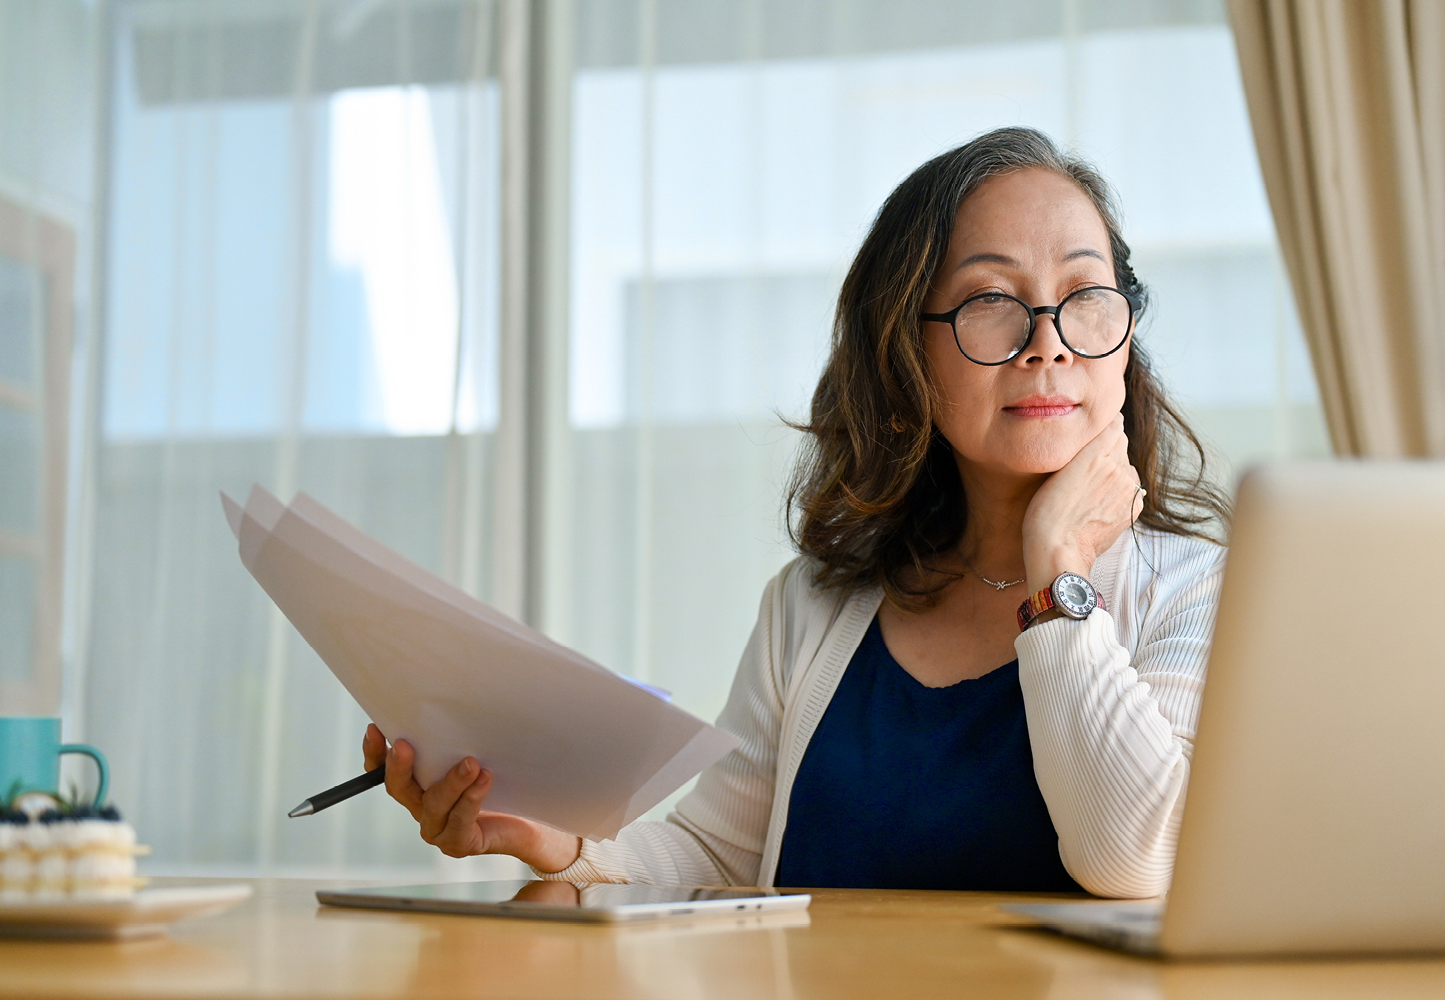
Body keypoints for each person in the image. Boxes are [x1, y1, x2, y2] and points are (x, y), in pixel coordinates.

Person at [361, 127, 1229, 898]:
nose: (1048, 339)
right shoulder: (810, 607)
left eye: (1084, 295)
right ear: (907, 354)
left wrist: (1058, 572)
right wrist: (562, 846)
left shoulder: (1197, 591)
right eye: (991, 302)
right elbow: (715, 854)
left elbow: (1135, 859)